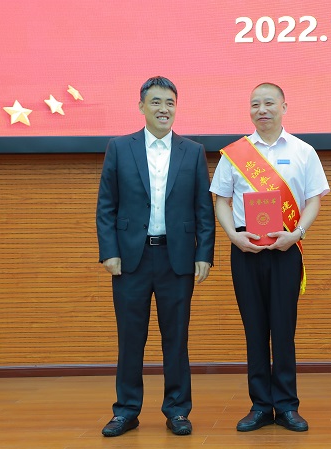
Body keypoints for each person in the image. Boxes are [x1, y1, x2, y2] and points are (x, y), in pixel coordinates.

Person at [96, 76, 215, 437]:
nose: (164, 109)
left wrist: (204, 254)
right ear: (142, 107)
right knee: (130, 338)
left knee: (175, 338)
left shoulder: (193, 151)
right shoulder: (120, 148)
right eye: (156, 102)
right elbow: (106, 206)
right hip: (130, 259)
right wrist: (109, 252)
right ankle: (126, 411)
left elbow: (203, 208)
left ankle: (177, 410)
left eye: (170, 103)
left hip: (176, 259)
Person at [209, 83, 329, 432]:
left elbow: (314, 199)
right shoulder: (235, 153)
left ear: (284, 107)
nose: (261, 110)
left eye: (268, 103)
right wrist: (233, 236)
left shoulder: (303, 151)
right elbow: (221, 200)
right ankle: (261, 405)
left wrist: (298, 233)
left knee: (284, 328)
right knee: (255, 329)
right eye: (255, 104)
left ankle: (287, 405)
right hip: (245, 248)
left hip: (286, 249)